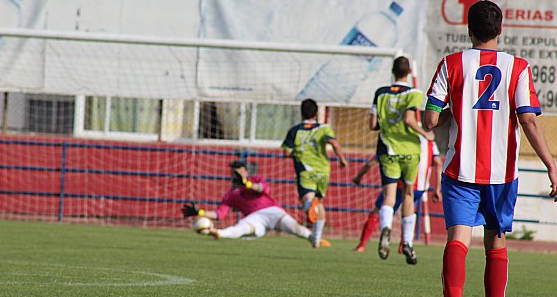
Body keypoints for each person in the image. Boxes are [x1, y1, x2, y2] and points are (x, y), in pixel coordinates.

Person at [424, 0, 557, 297]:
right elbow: (528, 120)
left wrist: (455, 109)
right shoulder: (518, 67)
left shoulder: (451, 63)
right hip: (502, 173)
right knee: (495, 244)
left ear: (468, 30)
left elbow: (430, 119)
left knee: (458, 239)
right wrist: (551, 164)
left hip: (460, 169)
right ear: (500, 30)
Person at [370, 56, 434, 265]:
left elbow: (373, 124)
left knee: (389, 196)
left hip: (387, 149)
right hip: (409, 151)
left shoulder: (380, 93)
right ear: (408, 72)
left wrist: (388, 124)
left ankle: (386, 227)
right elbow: (409, 119)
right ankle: (407, 242)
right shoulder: (414, 93)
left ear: (393, 71)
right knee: (408, 194)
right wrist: (425, 133)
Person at [181, 160, 328, 246]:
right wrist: (200, 212)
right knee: (241, 228)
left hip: (272, 211)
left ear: (245, 172)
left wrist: (247, 184)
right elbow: (220, 214)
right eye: (234, 173)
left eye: (240, 172)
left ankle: (316, 240)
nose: (237, 175)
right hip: (255, 218)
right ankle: (217, 233)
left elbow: (264, 188)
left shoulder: (255, 180)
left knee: (296, 229)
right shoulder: (231, 194)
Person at [353, 136, 442, 253]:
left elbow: (372, 161)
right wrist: (437, 188)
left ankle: (362, 244)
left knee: (380, 210)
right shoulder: (430, 141)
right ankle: (404, 245)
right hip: (420, 187)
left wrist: (358, 177)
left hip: (400, 185)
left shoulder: (401, 137)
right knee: (408, 214)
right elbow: (438, 163)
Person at [281, 99, 348, 248]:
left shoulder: (295, 130)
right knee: (319, 203)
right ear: (316, 113)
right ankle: (316, 239)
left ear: (301, 113)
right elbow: (334, 143)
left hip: (306, 170)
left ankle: (309, 205)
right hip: (323, 172)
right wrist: (342, 159)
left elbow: (286, 152)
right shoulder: (324, 128)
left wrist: (297, 152)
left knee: (308, 200)